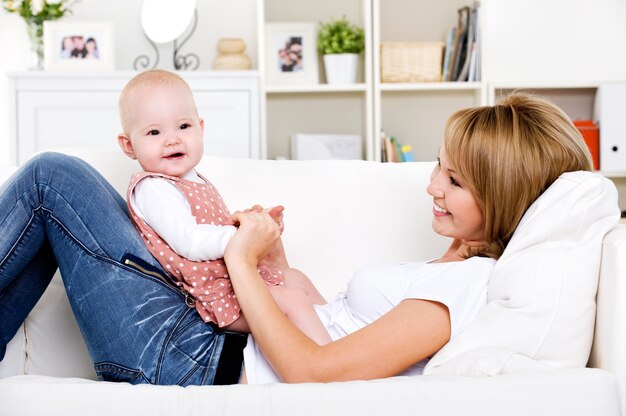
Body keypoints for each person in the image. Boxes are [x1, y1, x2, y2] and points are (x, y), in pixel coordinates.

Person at [0, 92, 593, 386]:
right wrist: (273, 264)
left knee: (54, 177)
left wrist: (240, 256)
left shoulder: (466, 288)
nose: (432, 184)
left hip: (193, 362)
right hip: (196, 341)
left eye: (456, 180)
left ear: (505, 201)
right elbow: (321, 322)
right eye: (440, 164)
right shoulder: (447, 270)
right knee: (57, 198)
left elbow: (311, 371)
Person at [116, 69, 331, 344]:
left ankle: (339, 333)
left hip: (237, 282)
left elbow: (213, 229)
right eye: (154, 132)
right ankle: (332, 362)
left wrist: (253, 224)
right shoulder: (153, 188)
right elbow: (190, 242)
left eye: (183, 127)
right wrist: (245, 236)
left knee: (295, 279)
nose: (172, 139)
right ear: (128, 145)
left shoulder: (194, 180)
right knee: (291, 300)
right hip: (215, 298)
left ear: (200, 128)